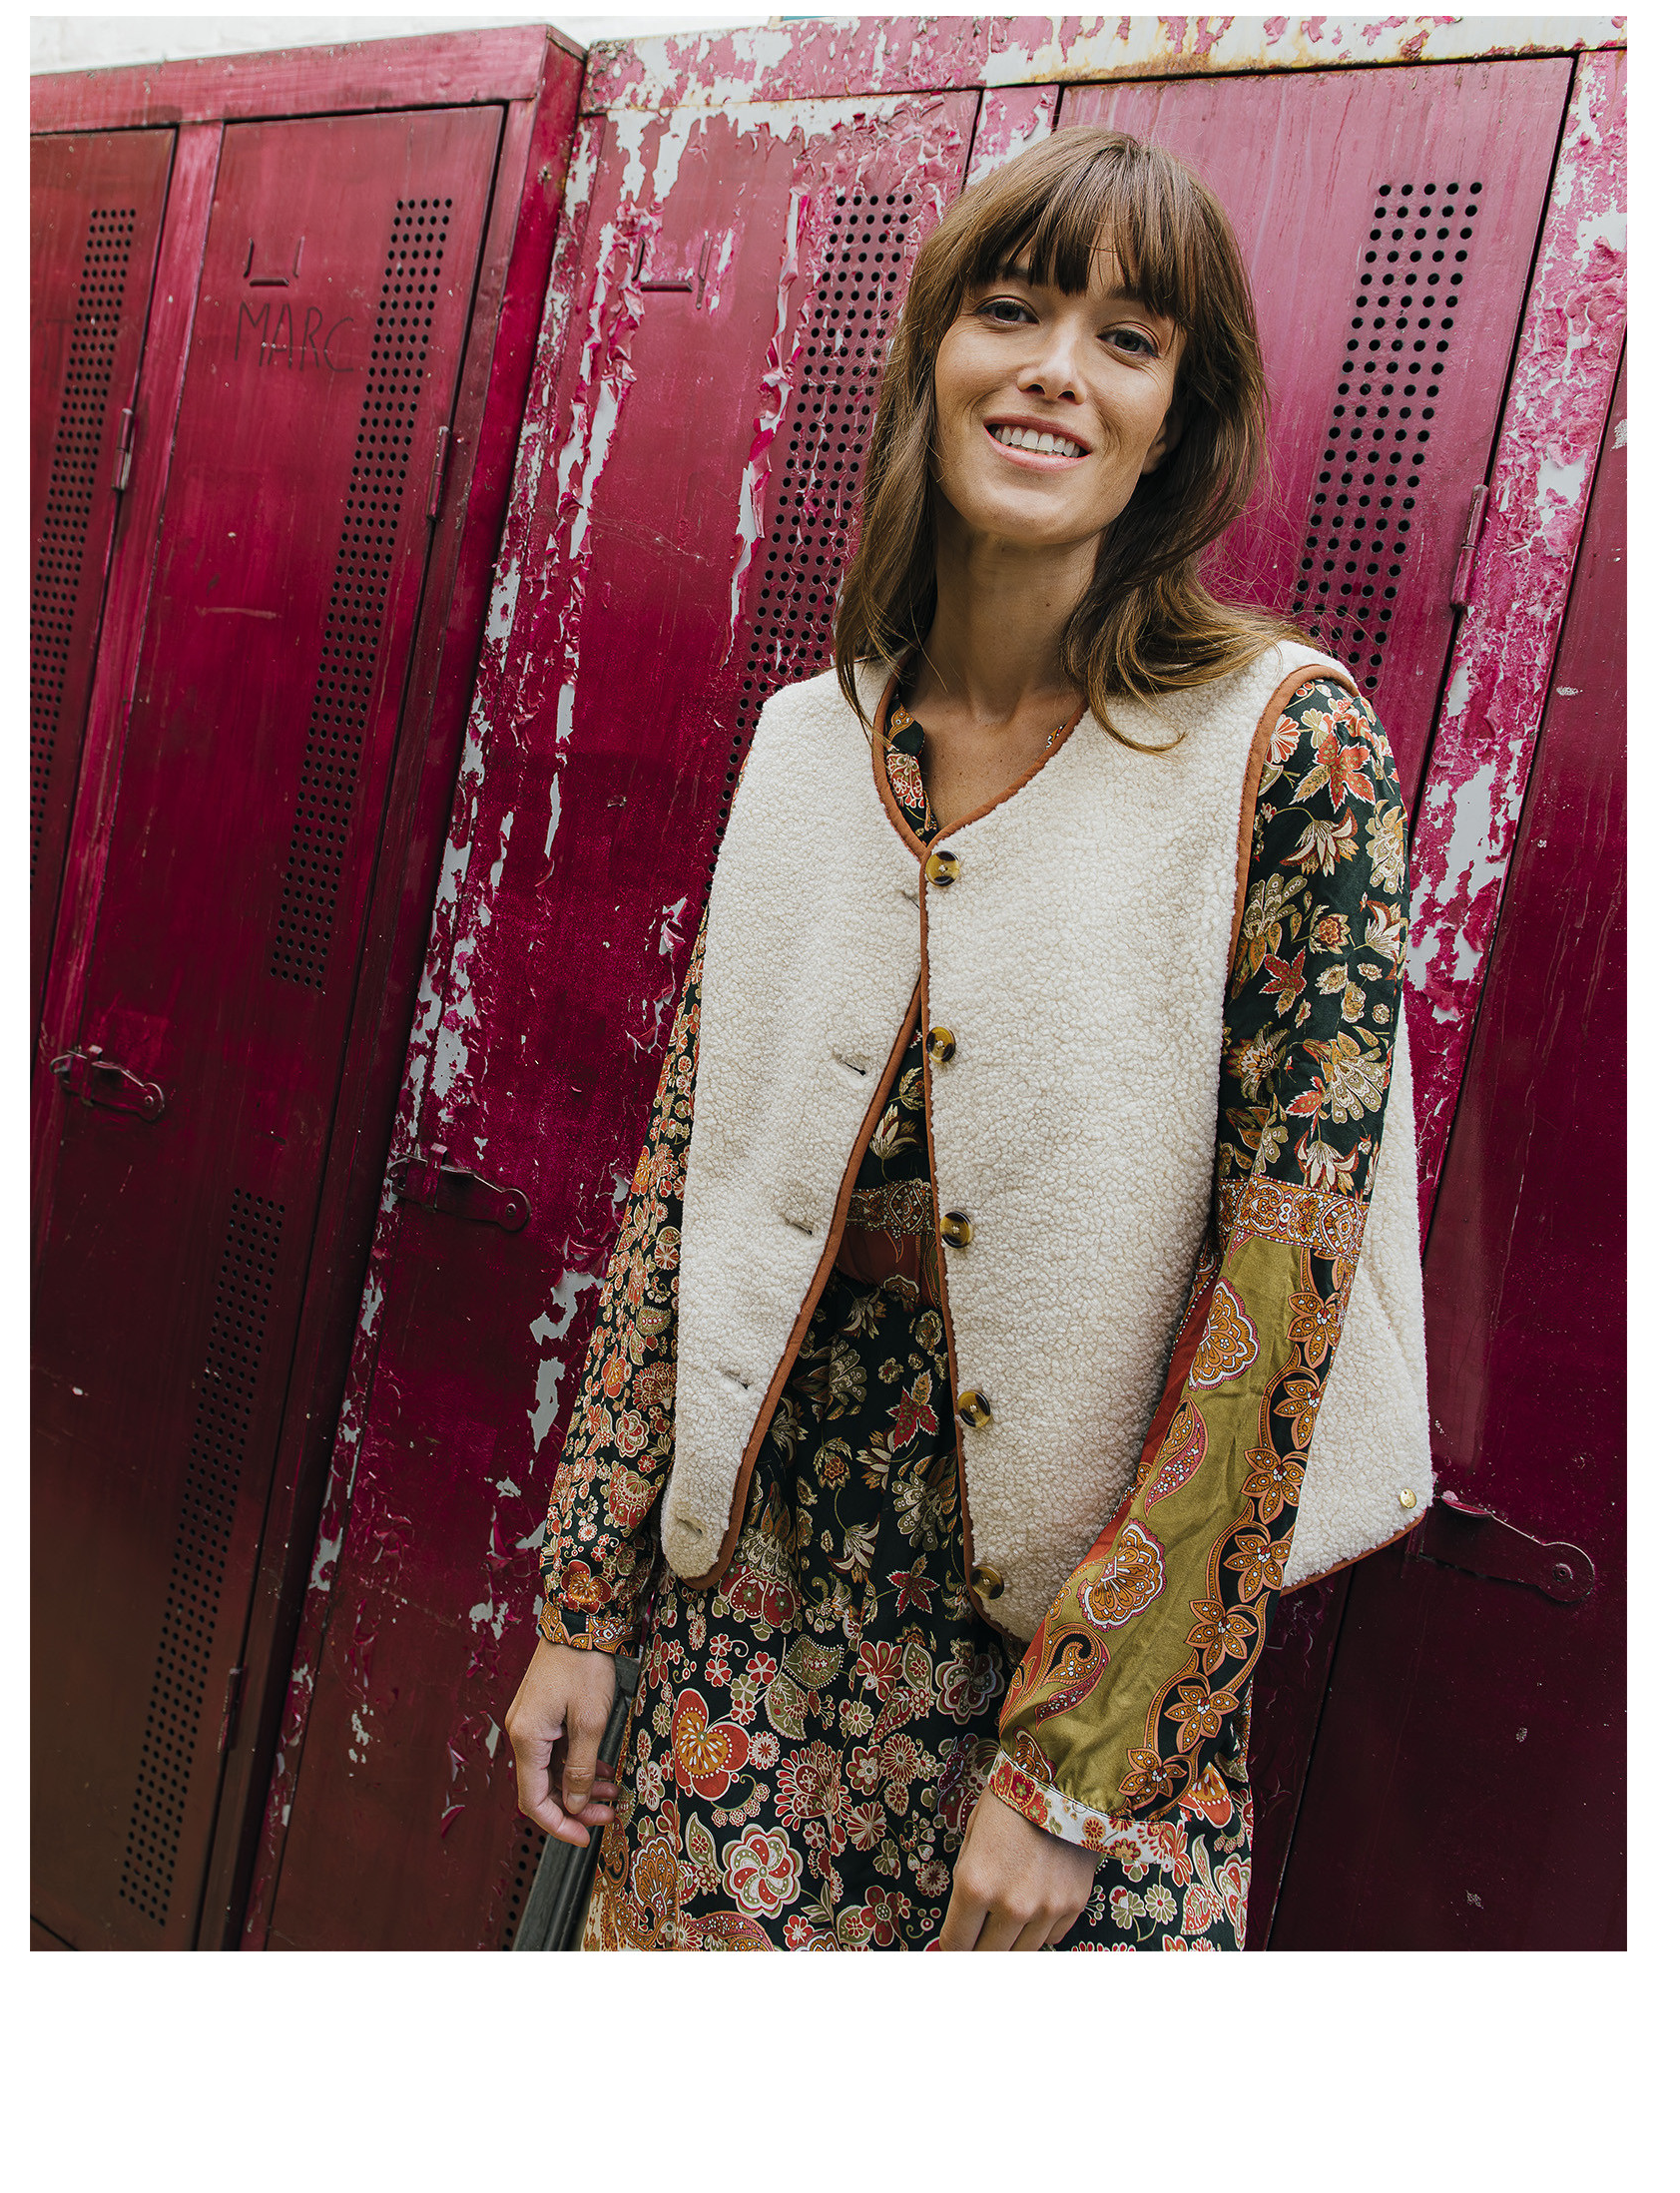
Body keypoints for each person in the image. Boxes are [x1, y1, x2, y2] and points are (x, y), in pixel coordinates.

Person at [502, 125, 1430, 1951]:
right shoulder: (808, 743)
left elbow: (1283, 1288)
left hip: (1073, 1668)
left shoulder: (1286, 748)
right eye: (1012, 311)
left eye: (1127, 340)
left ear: (1175, 422)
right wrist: (583, 1601)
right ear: (934, 356)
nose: (1057, 370)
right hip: (748, 1625)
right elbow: (686, 1192)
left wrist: (1080, 1764)